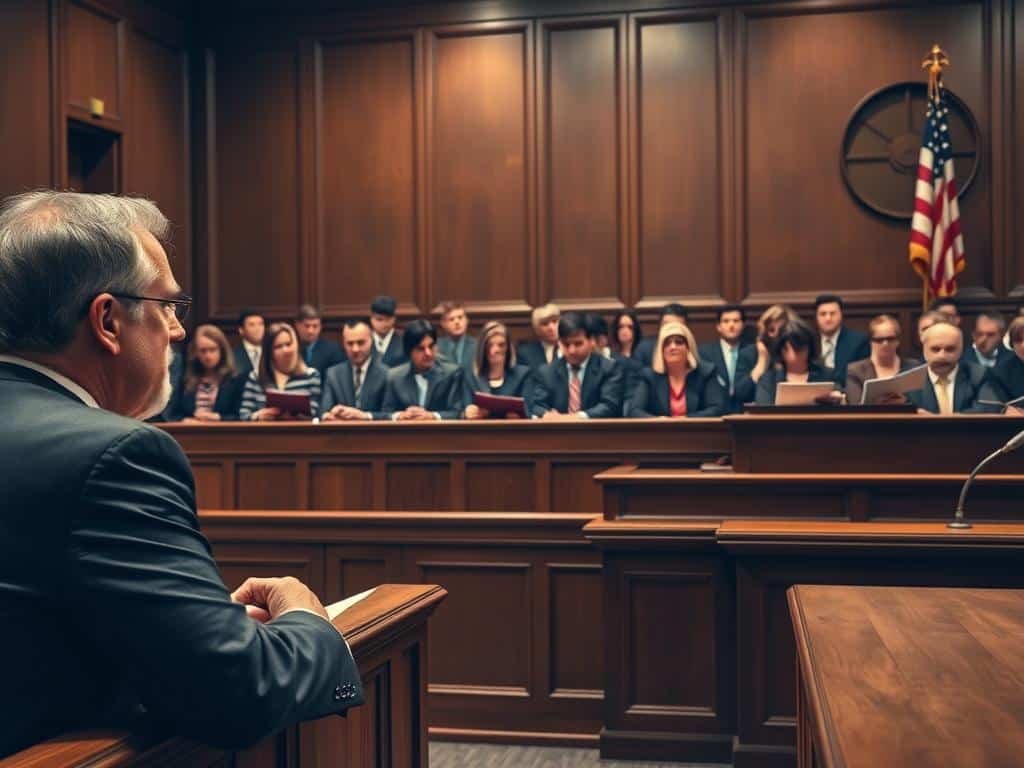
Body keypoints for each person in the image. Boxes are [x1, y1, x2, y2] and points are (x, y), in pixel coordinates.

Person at [0, 190, 362, 759]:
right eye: (167, 306)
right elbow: (238, 694)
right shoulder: (115, 456)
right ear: (108, 320)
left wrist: (179, 629)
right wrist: (307, 621)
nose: (179, 332)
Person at [531, 311, 623, 419]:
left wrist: (576, 417)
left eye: (578, 343)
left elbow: (610, 406)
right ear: (559, 342)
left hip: (597, 433)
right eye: (566, 344)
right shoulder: (547, 372)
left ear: (591, 341)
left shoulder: (609, 368)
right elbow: (537, 405)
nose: (572, 350)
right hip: (557, 433)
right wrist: (547, 414)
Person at [628, 322, 726, 417]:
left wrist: (687, 420)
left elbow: (716, 408)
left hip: (697, 431)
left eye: (679, 342)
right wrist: (658, 421)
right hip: (661, 432)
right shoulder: (650, 376)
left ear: (688, 348)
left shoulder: (705, 373)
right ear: (661, 351)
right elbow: (634, 410)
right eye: (667, 343)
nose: (673, 347)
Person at [382, 319, 466, 420]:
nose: (428, 353)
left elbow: (458, 412)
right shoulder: (394, 377)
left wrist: (432, 416)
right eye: (420, 349)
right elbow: (386, 413)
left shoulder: (452, 373)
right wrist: (400, 415)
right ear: (409, 352)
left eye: (431, 346)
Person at [906, 322, 999, 414]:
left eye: (950, 349)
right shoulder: (908, 379)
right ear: (924, 350)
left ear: (961, 349)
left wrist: (938, 420)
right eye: (935, 349)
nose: (942, 356)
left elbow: (989, 409)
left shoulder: (978, 374)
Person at [239, 322, 322, 421]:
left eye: (288, 344)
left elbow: (316, 414)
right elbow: (244, 415)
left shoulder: (311, 376)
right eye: (278, 346)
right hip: (264, 433)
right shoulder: (256, 377)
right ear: (269, 351)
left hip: (301, 433)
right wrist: (258, 416)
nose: (285, 350)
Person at [165, 324, 247, 421]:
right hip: (191, 432)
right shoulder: (185, 378)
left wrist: (217, 417)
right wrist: (184, 420)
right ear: (196, 352)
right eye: (203, 351)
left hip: (224, 433)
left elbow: (241, 416)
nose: (208, 356)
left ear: (222, 350)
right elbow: (172, 413)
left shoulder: (236, 379)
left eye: (212, 350)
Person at [755, 318, 838, 405]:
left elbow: (842, 403)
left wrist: (839, 399)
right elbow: (764, 410)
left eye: (801, 347)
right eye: (793, 347)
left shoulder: (827, 375)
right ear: (782, 349)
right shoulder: (768, 380)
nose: (797, 353)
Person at [321, 317, 389, 421]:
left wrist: (365, 415)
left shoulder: (387, 374)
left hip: (375, 434)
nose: (355, 349)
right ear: (343, 343)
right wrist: (329, 415)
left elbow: (390, 415)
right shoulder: (333, 374)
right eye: (350, 343)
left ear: (372, 341)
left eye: (361, 343)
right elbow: (324, 411)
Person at [463, 321, 533, 419]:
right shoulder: (470, 376)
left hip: (513, 431)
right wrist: (468, 412)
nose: (495, 350)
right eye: (490, 345)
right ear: (482, 348)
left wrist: (519, 415)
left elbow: (529, 410)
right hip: (479, 431)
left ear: (508, 348)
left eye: (501, 345)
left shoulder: (523, 375)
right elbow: (462, 410)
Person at [844, 315, 920, 405]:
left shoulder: (913, 367)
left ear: (898, 341)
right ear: (871, 342)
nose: (885, 344)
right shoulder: (856, 371)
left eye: (890, 339)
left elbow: (922, 402)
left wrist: (905, 402)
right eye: (879, 340)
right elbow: (855, 406)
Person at [698, 305, 757, 413]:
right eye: (726, 321)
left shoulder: (753, 352)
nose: (731, 325)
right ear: (718, 326)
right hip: (715, 415)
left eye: (736, 321)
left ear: (743, 325)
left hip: (745, 413)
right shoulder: (704, 353)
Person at [813, 293, 869, 383]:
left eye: (832, 313)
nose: (828, 318)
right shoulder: (808, 342)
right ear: (816, 317)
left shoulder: (858, 342)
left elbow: (862, 377)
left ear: (841, 315)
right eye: (823, 314)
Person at [747, 303, 799, 389]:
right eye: (771, 330)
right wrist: (761, 362)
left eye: (782, 329)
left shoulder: (799, 351)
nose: (776, 334)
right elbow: (743, 395)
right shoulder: (748, 354)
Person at [296, 304, 345, 377]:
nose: (310, 331)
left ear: (320, 327)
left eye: (315, 326)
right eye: (307, 326)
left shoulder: (333, 350)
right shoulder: (290, 349)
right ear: (297, 325)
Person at [436, 300, 477, 377]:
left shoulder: (477, 346)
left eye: (460, 317)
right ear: (443, 324)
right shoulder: (436, 348)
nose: (457, 322)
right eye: (451, 319)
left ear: (467, 320)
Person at [990, 317, 1024, 404]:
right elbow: (1002, 408)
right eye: (1018, 340)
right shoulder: (1001, 373)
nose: (1023, 346)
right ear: (1012, 344)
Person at [610, 309, 644, 396]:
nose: (625, 331)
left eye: (630, 327)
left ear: (635, 330)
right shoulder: (610, 355)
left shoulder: (643, 355)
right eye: (621, 327)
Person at [517, 303, 561, 369]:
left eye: (555, 321)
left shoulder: (572, 348)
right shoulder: (525, 353)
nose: (551, 328)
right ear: (537, 329)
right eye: (545, 324)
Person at [370, 294, 407, 367]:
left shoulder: (405, 341)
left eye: (388, 319)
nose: (384, 324)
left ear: (394, 318)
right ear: (371, 319)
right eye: (379, 319)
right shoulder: (363, 340)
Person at [233, 308, 265, 376]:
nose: (258, 328)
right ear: (241, 330)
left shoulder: (271, 352)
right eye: (252, 325)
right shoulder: (232, 355)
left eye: (261, 324)